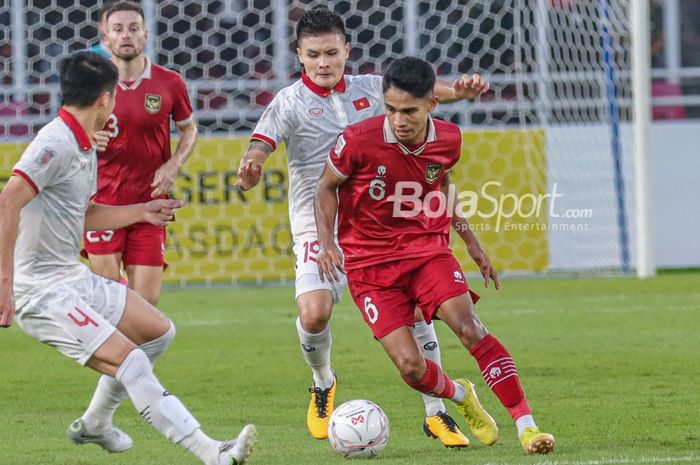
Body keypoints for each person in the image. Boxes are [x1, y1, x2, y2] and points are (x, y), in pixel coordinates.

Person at [235, 5, 489, 447]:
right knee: (314, 314)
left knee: (415, 311)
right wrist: (252, 165)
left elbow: (428, 95)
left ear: (346, 50)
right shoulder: (289, 102)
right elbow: (262, 141)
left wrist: (460, 93)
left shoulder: (374, 90)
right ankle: (322, 381)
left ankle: (437, 411)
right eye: (313, 55)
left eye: (331, 52)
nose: (323, 62)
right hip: (321, 225)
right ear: (299, 55)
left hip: (386, 224)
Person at [0, 50, 255, 465]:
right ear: (106, 99)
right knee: (131, 362)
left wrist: (142, 211)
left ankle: (97, 422)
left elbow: (81, 214)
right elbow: (8, 201)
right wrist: (5, 286)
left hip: (69, 277)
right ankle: (213, 453)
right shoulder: (55, 143)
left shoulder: (83, 145)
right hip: (39, 292)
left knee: (157, 332)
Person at [315, 56, 556, 455]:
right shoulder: (356, 140)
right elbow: (325, 188)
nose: (399, 120)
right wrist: (327, 243)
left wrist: (471, 242)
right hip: (370, 267)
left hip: (427, 251)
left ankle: (527, 427)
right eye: (391, 110)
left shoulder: (449, 139)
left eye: (409, 111)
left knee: (469, 327)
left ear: (431, 105)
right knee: (411, 367)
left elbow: (441, 183)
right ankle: (461, 395)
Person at [84, 1, 198, 306]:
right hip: (101, 203)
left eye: (133, 29)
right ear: (105, 37)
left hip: (150, 204)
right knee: (110, 299)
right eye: (118, 29)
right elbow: (69, 132)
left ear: (146, 35)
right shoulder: (90, 85)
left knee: (144, 306)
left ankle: (129, 350)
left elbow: (190, 130)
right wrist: (87, 137)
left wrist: (174, 164)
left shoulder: (169, 82)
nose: (126, 35)